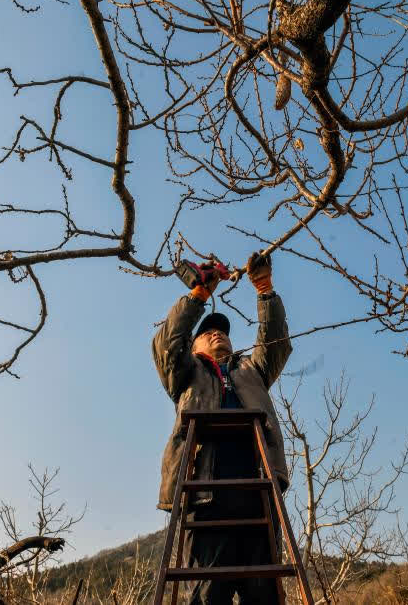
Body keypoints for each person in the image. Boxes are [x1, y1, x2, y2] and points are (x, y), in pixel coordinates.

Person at [151, 252, 292, 604]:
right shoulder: (187, 373)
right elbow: (166, 346)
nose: (216, 333)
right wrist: (199, 295)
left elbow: (276, 343)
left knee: (265, 593)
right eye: (208, 332)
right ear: (194, 346)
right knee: (208, 593)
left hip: (257, 490)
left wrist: (263, 288)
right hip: (204, 493)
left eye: (222, 331)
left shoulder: (251, 370)